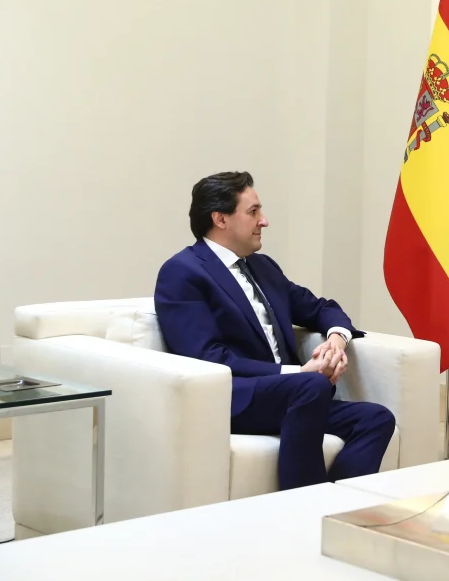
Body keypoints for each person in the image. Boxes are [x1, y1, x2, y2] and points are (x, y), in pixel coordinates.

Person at [154, 171, 395, 490]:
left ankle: (338, 510)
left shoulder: (262, 266)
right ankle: (302, 509)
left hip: (295, 395)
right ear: (220, 219)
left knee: (376, 419)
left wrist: (336, 341)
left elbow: (322, 308)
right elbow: (207, 356)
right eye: (253, 211)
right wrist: (297, 373)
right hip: (235, 397)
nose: (263, 220)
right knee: (311, 386)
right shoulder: (182, 273)